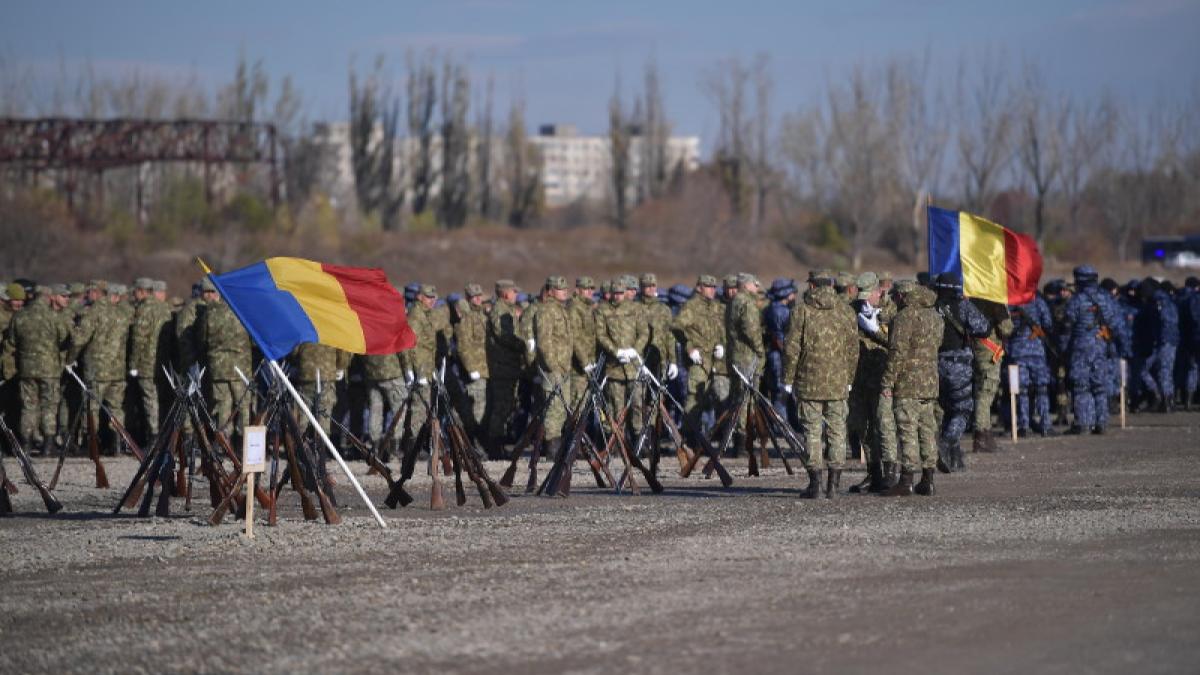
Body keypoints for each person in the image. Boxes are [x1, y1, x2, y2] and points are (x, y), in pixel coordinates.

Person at [782, 277, 858, 498]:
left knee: (812, 432)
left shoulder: (801, 311)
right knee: (837, 431)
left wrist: (788, 378)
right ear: (831, 286)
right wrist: (849, 377)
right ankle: (834, 485)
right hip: (838, 381)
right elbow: (853, 348)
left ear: (812, 286)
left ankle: (815, 484)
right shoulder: (845, 311)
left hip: (809, 381)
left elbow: (792, 347)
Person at [880, 280, 942, 496]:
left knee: (907, 431)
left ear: (902, 296)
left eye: (895, 297)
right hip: (930, 383)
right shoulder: (935, 316)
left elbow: (897, 352)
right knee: (927, 431)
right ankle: (928, 479)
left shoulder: (904, 317)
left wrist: (887, 381)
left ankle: (906, 480)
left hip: (907, 383)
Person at [932, 273, 990, 471]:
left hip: (935, 365)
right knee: (962, 410)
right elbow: (984, 328)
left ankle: (954, 458)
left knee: (948, 409)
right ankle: (946, 443)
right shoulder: (962, 305)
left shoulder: (931, 307)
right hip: (958, 365)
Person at [2, 285, 69, 454]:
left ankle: (26, 444)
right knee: (49, 406)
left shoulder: (19, 316)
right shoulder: (54, 316)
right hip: (50, 369)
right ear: (48, 298)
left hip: (26, 369)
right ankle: (48, 445)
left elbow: (11, 342)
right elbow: (65, 339)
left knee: (28, 406)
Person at [1062, 266, 1126, 434]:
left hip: (1081, 347)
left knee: (1081, 385)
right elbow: (1116, 324)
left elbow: (1067, 328)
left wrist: (1063, 350)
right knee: (1099, 385)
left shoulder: (1076, 301)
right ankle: (1101, 423)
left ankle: (1084, 423)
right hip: (1101, 345)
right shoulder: (1106, 299)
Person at [672, 275, 724, 447]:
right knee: (694, 399)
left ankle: (704, 437)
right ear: (699, 288)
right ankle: (689, 438)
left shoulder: (715, 307)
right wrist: (689, 347)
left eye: (714, 287)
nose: (712, 290)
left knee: (709, 400)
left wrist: (721, 345)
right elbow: (676, 326)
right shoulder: (691, 306)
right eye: (708, 286)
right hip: (698, 360)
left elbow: (721, 330)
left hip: (714, 361)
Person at [595, 278, 648, 442]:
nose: (618, 296)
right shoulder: (602, 310)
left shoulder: (635, 309)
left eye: (620, 293)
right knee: (616, 409)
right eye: (615, 293)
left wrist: (635, 350)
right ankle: (618, 444)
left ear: (625, 293)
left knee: (637, 406)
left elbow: (644, 332)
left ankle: (639, 442)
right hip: (614, 368)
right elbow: (600, 334)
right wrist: (615, 351)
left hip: (634, 367)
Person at [197, 279, 252, 435]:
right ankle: (244, 442)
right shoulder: (241, 311)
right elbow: (254, 340)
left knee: (223, 407)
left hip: (219, 368)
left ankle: (224, 442)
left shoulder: (209, 313)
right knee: (243, 406)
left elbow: (202, 340)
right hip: (241, 368)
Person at [128, 277, 173, 443]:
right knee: (162, 399)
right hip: (164, 361)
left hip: (147, 363)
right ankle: (165, 434)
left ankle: (154, 436)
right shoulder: (165, 308)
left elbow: (138, 339)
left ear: (142, 291)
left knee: (150, 400)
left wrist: (133, 364)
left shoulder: (144, 309)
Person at [725, 273, 765, 454]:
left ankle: (740, 439)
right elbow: (751, 330)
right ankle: (743, 440)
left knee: (738, 397)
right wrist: (760, 350)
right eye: (755, 285)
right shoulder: (747, 303)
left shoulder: (733, 301)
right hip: (748, 358)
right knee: (746, 399)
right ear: (747, 285)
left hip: (736, 356)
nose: (757, 288)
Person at [533, 276, 574, 453]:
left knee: (563, 408)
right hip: (553, 369)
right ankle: (551, 447)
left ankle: (556, 445)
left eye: (565, 288)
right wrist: (553, 366)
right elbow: (544, 342)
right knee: (553, 408)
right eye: (559, 288)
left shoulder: (561, 310)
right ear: (550, 291)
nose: (564, 291)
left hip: (564, 367)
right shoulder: (546, 311)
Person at [484, 280, 525, 458]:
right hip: (502, 367)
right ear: (506, 293)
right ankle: (494, 448)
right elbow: (504, 336)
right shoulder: (500, 310)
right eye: (514, 292)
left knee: (507, 405)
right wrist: (523, 345)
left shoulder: (507, 309)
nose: (516, 295)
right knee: (500, 407)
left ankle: (498, 445)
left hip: (509, 366)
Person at [1007, 293, 1057, 436]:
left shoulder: (1009, 303)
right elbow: (1048, 324)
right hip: (1037, 352)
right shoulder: (1038, 302)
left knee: (1021, 391)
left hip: (1017, 352)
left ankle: (1024, 426)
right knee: (1041, 389)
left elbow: (1004, 327)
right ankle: (1045, 425)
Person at [453, 283, 490, 438]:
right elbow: (463, 346)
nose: (478, 299)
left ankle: (477, 438)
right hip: (476, 369)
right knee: (477, 406)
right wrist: (471, 368)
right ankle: (472, 439)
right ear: (468, 298)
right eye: (474, 297)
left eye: (479, 295)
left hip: (486, 369)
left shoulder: (482, 316)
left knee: (482, 406)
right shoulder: (467, 318)